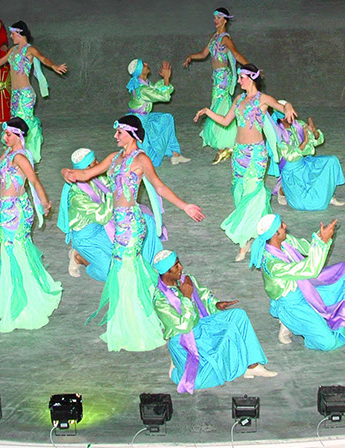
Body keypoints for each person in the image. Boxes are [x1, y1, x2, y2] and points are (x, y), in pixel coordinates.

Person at [62, 115, 204, 352]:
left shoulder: (141, 159)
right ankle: (132, 320)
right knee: (126, 271)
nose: (115, 136)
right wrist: (65, 171)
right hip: (119, 224)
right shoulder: (114, 158)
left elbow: (159, 187)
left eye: (119, 132)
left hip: (132, 225)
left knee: (124, 271)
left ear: (132, 133)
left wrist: (185, 206)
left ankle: (134, 327)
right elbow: (85, 175)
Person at [0, 117, 62, 332]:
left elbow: (34, 180)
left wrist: (44, 202)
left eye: (8, 134)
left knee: (14, 251)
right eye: (5, 133)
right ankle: (16, 297)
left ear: (19, 135)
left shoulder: (20, 157)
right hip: (7, 209)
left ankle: (22, 304)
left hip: (16, 211)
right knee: (12, 251)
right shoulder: (8, 154)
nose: (4, 137)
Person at [194, 63, 296, 261]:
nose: (238, 80)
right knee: (240, 194)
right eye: (239, 77)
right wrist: (207, 111)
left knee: (252, 195)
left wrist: (289, 106)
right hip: (239, 153)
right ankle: (253, 237)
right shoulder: (239, 99)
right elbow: (225, 121)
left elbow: (282, 107)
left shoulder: (262, 99)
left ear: (251, 78)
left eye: (241, 77)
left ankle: (245, 241)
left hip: (256, 154)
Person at [153, 249, 275, 393]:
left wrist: (216, 305)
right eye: (176, 266)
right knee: (199, 381)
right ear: (166, 272)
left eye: (179, 262)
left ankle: (252, 366)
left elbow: (203, 295)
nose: (181, 267)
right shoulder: (160, 300)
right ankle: (176, 369)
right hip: (185, 340)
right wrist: (186, 297)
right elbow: (184, 326)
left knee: (238, 316)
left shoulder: (186, 280)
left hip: (202, 325)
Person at [57, 148, 166, 280]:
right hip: (86, 237)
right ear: (86, 168)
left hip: (102, 229)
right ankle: (79, 257)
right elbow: (103, 216)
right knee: (110, 273)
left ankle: (151, 263)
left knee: (142, 226)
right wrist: (114, 193)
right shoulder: (76, 195)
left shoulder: (97, 179)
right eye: (94, 163)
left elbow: (112, 180)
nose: (98, 164)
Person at [0, 20, 67, 163]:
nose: (11, 36)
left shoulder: (29, 49)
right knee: (15, 124)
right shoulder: (13, 50)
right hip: (15, 95)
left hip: (25, 95)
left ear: (20, 33)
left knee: (23, 125)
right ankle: (17, 155)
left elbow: (43, 58)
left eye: (13, 33)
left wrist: (54, 66)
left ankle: (27, 157)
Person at [251, 214, 345, 351]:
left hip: (306, 289)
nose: (285, 226)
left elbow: (309, 248)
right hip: (294, 306)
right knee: (328, 343)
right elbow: (310, 269)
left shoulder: (286, 242)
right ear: (275, 234)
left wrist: (320, 238)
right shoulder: (272, 265)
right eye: (282, 225)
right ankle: (290, 322)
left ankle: (311, 321)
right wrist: (323, 243)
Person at [184, 8, 248, 164]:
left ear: (225, 20)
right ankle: (225, 143)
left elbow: (236, 54)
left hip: (223, 77)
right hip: (217, 77)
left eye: (219, 17)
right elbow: (204, 54)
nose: (215, 20)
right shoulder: (214, 37)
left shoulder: (225, 38)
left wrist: (250, 68)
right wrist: (191, 56)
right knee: (218, 104)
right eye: (214, 17)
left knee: (222, 105)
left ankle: (227, 144)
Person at [271, 106, 345, 210]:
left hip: (304, 164)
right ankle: (282, 189)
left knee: (331, 161)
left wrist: (315, 132)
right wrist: (304, 142)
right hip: (291, 172)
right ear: (282, 118)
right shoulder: (277, 133)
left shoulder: (298, 125)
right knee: (308, 203)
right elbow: (290, 157)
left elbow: (316, 142)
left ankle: (327, 195)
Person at [126, 59, 188, 166]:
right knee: (149, 160)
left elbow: (157, 89)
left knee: (167, 119)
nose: (147, 64)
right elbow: (164, 97)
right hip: (139, 124)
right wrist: (166, 78)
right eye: (143, 64)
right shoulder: (142, 89)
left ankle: (175, 154)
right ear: (140, 71)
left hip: (143, 119)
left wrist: (165, 79)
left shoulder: (144, 84)